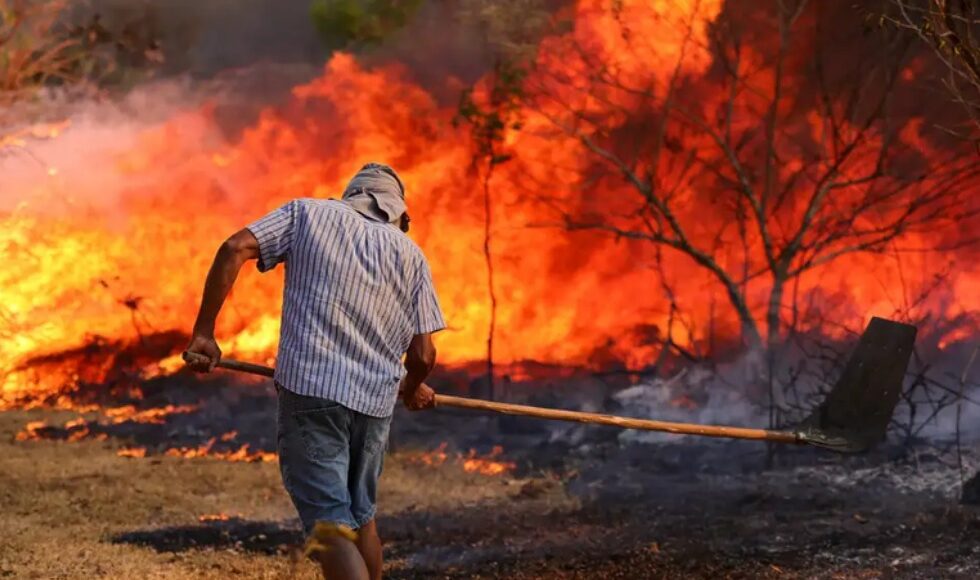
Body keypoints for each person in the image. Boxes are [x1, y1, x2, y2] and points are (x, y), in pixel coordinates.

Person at [184, 163, 446, 580]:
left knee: (329, 524)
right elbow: (423, 355)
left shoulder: (307, 214)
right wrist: (413, 387)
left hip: (313, 393)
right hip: (374, 405)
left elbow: (235, 247)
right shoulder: (411, 255)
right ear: (399, 213)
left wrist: (204, 333)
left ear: (351, 196)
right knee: (362, 519)